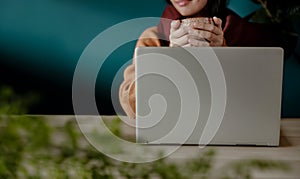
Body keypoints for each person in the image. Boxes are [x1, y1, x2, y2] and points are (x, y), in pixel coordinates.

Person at [119, 0, 282, 119]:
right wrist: (170, 60)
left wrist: (223, 56)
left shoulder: (250, 37)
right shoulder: (154, 37)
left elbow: (256, 108)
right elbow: (133, 108)